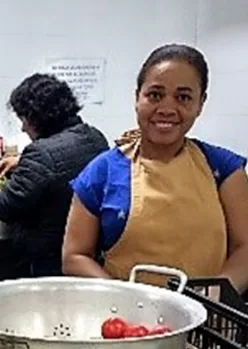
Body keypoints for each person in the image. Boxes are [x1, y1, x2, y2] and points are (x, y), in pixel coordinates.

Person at [63, 44, 248, 292]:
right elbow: (74, 257)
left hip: (206, 321)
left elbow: (245, 248)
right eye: (155, 95)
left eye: (183, 97)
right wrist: (123, 296)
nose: (167, 109)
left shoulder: (224, 169)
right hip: (125, 321)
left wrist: (214, 297)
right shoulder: (102, 171)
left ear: (200, 103)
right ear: (137, 97)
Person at [0, 74, 108, 277]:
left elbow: (6, 207)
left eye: (24, 119)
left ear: (37, 117)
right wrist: (23, 163)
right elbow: (64, 166)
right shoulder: (95, 137)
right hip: (89, 254)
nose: (22, 127)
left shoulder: (40, 153)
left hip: (47, 258)